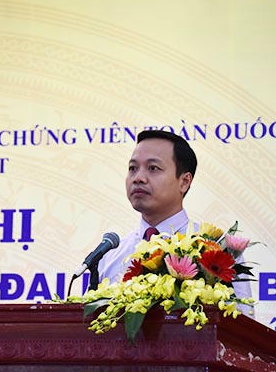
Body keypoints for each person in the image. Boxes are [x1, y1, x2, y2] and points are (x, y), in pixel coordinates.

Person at [98, 129, 252, 305]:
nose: (138, 178)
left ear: (184, 182)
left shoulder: (217, 252)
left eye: (153, 168)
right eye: (132, 168)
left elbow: (241, 313)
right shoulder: (110, 255)